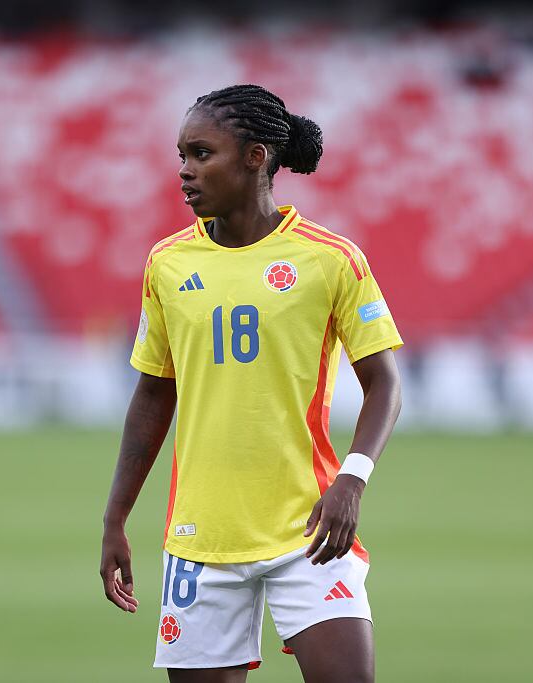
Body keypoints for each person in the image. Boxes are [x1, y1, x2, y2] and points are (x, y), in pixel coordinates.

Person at [100, 84, 403, 683]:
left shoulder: (330, 259)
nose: (185, 172)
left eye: (202, 154)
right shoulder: (167, 263)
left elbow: (384, 383)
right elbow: (153, 395)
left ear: (256, 157)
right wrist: (116, 517)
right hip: (199, 539)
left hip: (311, 528)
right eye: (181, 155)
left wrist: (352, 479)